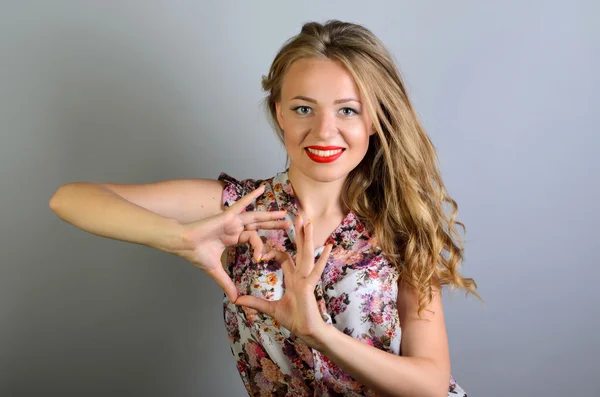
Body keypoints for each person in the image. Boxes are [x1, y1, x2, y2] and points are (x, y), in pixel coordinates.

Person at [50, 19, 479, 397]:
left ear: (374, 121)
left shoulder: (400, 222)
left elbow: (430, 385)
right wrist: (180, 238)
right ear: (280, 114)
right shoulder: (236, 208)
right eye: (303, 108)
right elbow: (69, 199)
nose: (324, 131)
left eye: (348, 110)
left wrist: (320, 335)